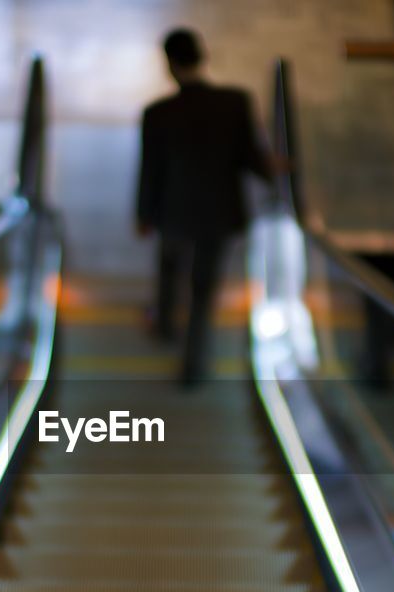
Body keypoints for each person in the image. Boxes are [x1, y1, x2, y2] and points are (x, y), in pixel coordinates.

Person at [136, 28, 273, 385]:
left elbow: (150, 170)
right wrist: (281, 171)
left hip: (173, 213)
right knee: (203, 289)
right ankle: (193, 366)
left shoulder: (158, 113)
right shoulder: (234, 102)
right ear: (202, 55)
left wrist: (143, 215)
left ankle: (165, 326)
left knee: (169, 269)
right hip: (219, 213)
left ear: (170, 64)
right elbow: (250, 159)